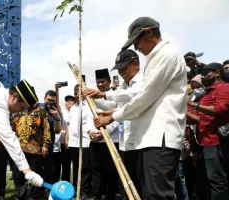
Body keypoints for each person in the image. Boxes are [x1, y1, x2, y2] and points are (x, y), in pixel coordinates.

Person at [93, 17, 187, 199]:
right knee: (148, 193)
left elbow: (144, 97)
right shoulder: (156, 58)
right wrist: (114, 112)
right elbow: (148, 99)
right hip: (150, 138)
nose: (137, 48)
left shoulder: (166, 55)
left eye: (137, 42)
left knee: (158, 195)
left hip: (161, 137)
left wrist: (113, 117)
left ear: (149, 32)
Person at [84, 49, 143, 198]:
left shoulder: (142, 81)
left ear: (135, 64)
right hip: (126, 143)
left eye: (124, 68)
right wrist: (93, 98)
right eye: (119, 69)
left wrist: (103, 95)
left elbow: (131, 97)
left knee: (139, 182)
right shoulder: (124, 86)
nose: (122, 72)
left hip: (140, 142)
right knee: (127, 182)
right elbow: (114, 106)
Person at [187, 63, 229, 200]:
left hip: (217, 142)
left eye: (205, 73)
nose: (202, 76)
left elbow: (220, 109)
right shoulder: (206, 95)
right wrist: (185, 110)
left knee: (218, 182)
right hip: (205, 143)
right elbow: (200, 120)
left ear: (217, 73)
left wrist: (194, 104)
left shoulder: (224, 88)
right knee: (210, 181)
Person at [67, 84, 93, 199]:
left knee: (85, 168)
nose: (77, 94)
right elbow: (69, 125)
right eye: (75, 92)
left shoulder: (88, 106)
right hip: (73, 143)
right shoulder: (72, 108)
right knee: (76, 167)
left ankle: (85, 191)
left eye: (79, 92)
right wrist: (67, 140)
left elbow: (89, 123)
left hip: (85, 142)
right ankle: (76, 188)